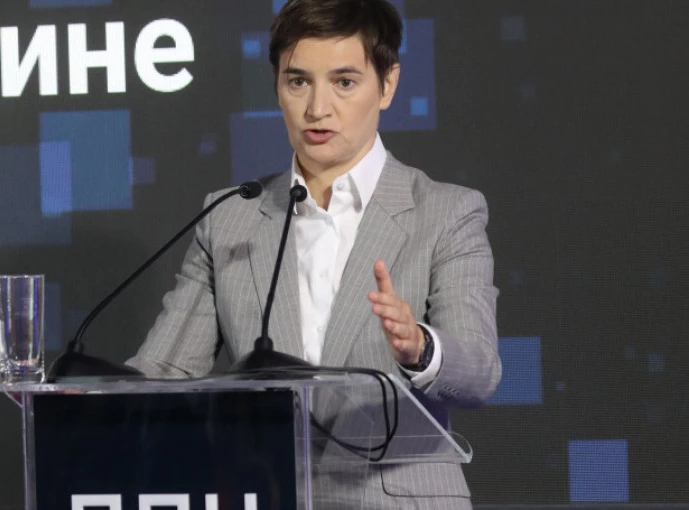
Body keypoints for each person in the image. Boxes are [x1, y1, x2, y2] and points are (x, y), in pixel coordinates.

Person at [128, 0, 501, 507]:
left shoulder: (446, 212)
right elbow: (164, 371)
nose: (317, 108)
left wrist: (420, 348)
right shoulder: (229, 217)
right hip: (270, 494)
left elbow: (479, 371)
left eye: (344, 82)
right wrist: (75, 402)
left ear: (387, 84)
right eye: (298, 81)